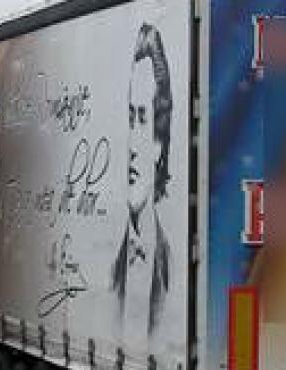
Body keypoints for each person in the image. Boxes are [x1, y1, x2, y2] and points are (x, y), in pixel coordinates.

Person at [111, 23, 173, 344]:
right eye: (130, 117)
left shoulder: (170, 270)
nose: (134, 142)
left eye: (144, 118)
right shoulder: (114, 263)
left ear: (160, 145)